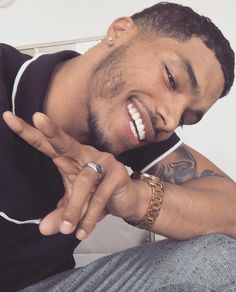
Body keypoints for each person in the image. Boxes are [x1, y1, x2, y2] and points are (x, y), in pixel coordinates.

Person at [1, 1, 236, 291]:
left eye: (186, 118)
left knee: (221, 258)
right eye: (172, 79)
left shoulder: (133, 131)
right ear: (120, 31)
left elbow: (231, 207)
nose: (171, 119)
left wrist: (136, 198)